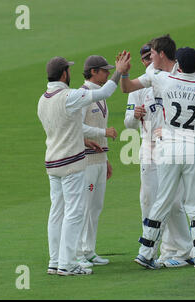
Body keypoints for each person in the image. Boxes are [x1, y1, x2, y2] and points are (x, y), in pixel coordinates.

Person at [126, 46, 195, 269]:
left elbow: (141, 80)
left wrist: (125, 72)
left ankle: (146, 252)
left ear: (178, 63)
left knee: (163, 200)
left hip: (168, 148)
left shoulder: (166, 81)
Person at [37, 54, 130, 276]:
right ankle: (68, 264)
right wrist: (119, 71)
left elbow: (63, 128)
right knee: (74, 212)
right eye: (68, 70)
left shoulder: (42, 99)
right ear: (63, 74)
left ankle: (55, 261)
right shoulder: (69, 95)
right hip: (72, 163)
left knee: (57, 212)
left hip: (52, 163)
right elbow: (105, 92)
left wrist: (83, 138)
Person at [124, 43, 193, 268]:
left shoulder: (176, 79)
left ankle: (179, 250)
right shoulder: (139, 86)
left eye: (149, 56)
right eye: (144, 58)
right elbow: (129, 124)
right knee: (148, 200)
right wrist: (134, 115)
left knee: (174, 202)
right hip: (149, 148)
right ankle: (156, 250)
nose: (147, 61)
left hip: (173, 146)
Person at [76, 55, 119, 269]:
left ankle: (89, 250)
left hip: (99, 160)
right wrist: (104, 132)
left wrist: (107, 159)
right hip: (86, 161)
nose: (108, 74)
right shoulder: (82, 95)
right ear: (93, 71)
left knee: (96, 207)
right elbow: (77, 128)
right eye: (104, 71)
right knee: (84, 207)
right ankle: (77, 253)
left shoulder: (100, 96)